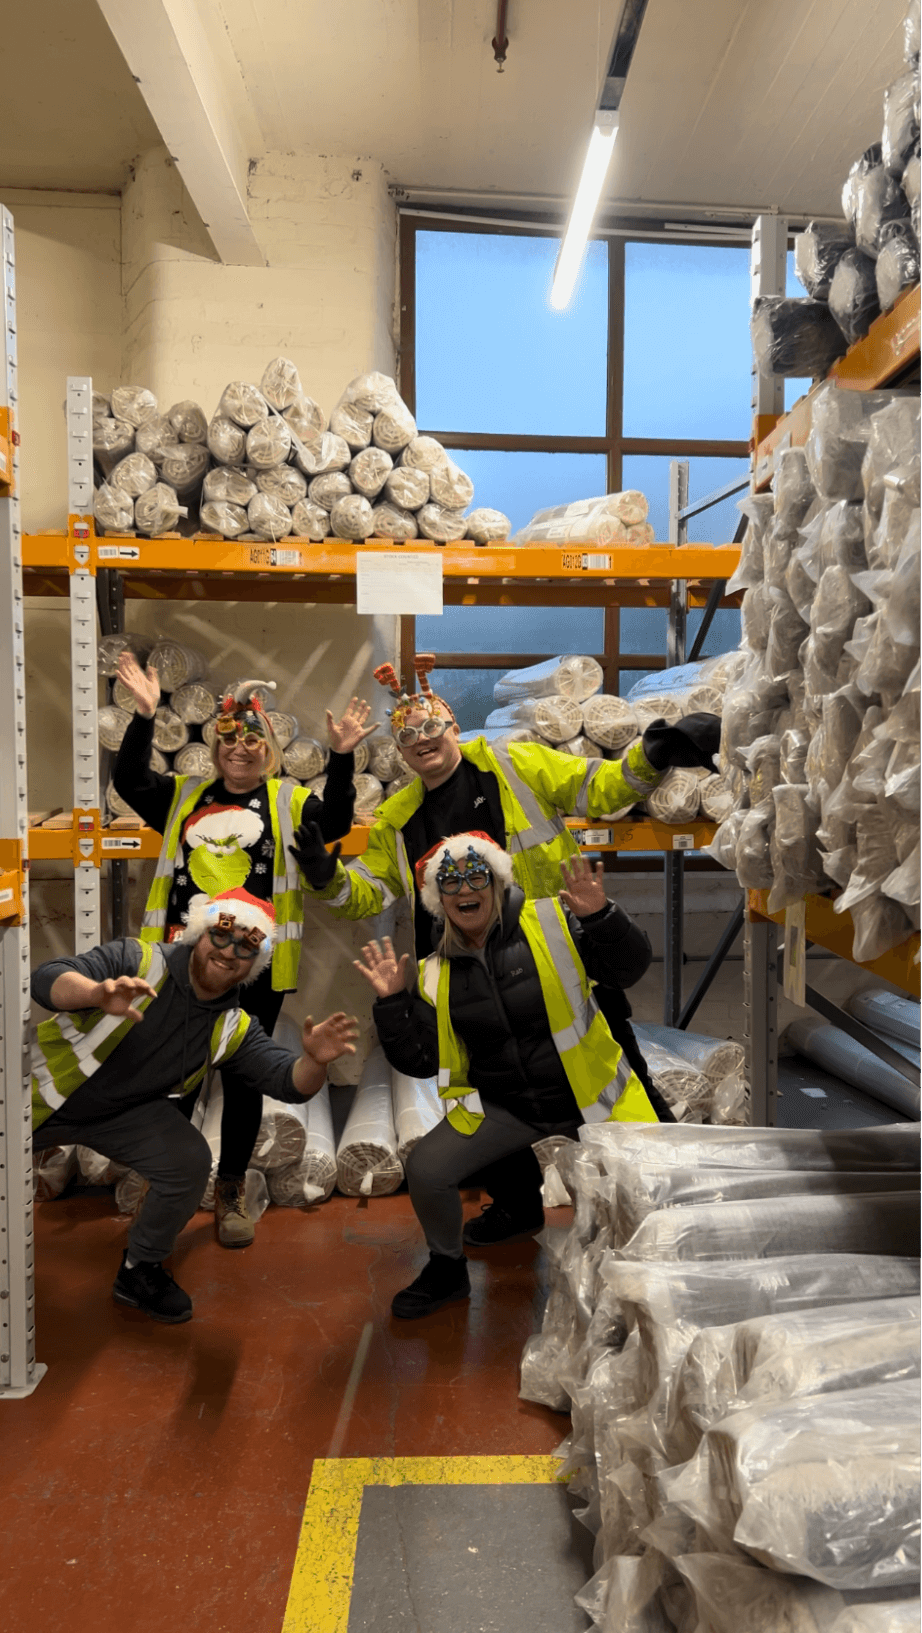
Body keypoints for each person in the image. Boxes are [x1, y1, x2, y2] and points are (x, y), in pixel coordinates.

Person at [113, 654, 377, 1248]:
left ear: (269, 749)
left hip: (254, 967)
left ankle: (231, 1188)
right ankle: (168, 1186)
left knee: (242, 1079)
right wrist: (144, 716)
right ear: (214, 746)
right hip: (182, 965)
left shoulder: (286, 801)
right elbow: (129, 781)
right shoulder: (183, 796)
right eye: (229, 737)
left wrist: (340, 756)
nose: (240, 748)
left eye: (252, 738)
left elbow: (334, 819)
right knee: (173, 1077)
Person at [355, 832, 661, 1319]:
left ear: (496, 883)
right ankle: (447, 1270)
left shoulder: (552, 923)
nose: (463, 890)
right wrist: (393, 1004)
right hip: (507, 1105)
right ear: (439, 899)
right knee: (428, 1169)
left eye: (476, 876)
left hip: (589, 1097)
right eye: (449, 883)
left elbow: (629, 968)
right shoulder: (434, 972)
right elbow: (418, 1061)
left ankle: (645, 1269)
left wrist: (601, 917)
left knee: (641, 1198)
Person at [31, 887, 359, 1324]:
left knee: (186, 1161)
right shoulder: (139, 960)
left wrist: (314, 1062)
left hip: (123, 1115)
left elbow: (289, 1083)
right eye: (222, 934)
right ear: (198, 932)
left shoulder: (231, 1024)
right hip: (41, 1096)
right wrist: (96, 993)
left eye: (247, 945)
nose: (229, 952)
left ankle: (139, 1268)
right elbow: (46, 978)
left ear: (255, 963)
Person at [289, 654, 721, 962]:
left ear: (454, 729)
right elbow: (367, 895)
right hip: (456, 966)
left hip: (546, 950)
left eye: (432, 726)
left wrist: (655, 753)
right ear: (400, 753)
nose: (421, 739)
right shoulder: (397, 820)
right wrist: (325, 878)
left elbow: (601, 788)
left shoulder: (516, 765)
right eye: (406, 736)